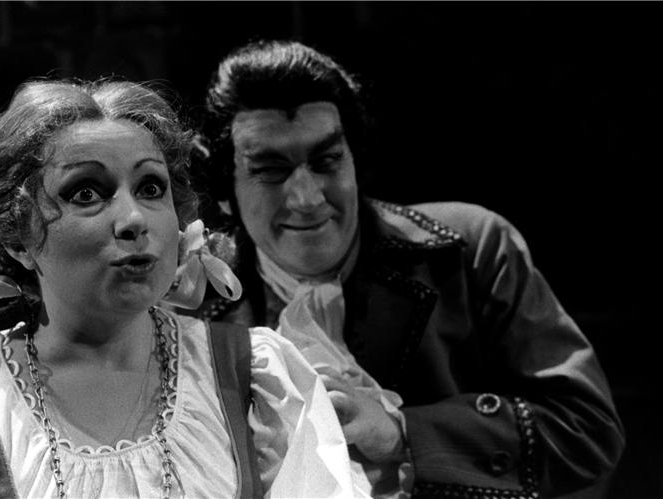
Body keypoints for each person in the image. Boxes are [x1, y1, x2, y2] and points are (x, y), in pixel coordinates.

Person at [0, 78, 375, 498]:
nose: (133, 219)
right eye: (86, 192)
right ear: (18, 238)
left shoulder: (258, 380)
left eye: (151, 188)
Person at [192, 40, 625, 498]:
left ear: (354, 159)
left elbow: (588, 429)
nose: (307, 198)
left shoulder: (472, 249)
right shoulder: (193, 303)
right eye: (270, 170)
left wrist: (401, 432)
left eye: (327, 160)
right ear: (224, 190)